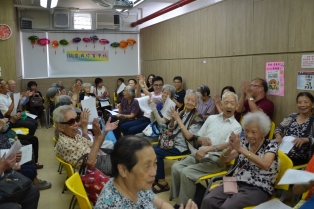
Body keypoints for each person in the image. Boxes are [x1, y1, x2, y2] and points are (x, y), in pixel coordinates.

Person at [170, 92, 241, 207]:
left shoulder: (236, 126)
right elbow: (197, 137)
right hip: (200, 154)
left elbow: (229, 145)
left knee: (186, 173)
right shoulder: (211, 118)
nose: (228, 106)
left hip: (216, 160)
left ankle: (182, 205)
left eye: (232, 103)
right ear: (221, 104)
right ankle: (190, 198)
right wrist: (201, 139)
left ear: (236, 106)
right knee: (176, 167)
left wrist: (209, 148)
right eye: (226, 102)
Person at [201, 111, 279, 209]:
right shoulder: (244, 143)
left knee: (227, 207)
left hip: (258, 188)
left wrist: (241, 149)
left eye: (253, 132)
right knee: (209, 200)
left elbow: (266, 164)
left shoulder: (271, 145)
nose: (249, 135)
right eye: (246, 131)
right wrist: (229, 148)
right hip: (236, 182)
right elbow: (224, 159)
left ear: (263, 132)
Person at [94, 135, 198, 209]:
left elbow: (161, 204)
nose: (154, 173)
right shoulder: (111, 204)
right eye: (147, 166)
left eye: (155, 163)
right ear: (123, 170)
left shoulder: (136, 185)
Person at [153, 90, 204, 194]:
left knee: (156, 153)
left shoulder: (198, 117)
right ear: (184, 100)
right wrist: (172, 120)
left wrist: (178, 120)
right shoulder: (182, 112)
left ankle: (162, 182)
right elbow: (170, 130)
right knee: (151, 150)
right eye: (188, 99)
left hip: (184, 147)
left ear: (197, 104)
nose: (189, 102)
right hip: (172, 143)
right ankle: (156, 177)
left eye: (193, 101)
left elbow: (189, 137)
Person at [53, 105, 119, 173]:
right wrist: (97, 136)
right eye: (71, 122)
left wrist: (105, 131)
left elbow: (95, 146)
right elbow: (90, 162)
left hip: (99, 158)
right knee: (126, 165)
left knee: (122, 153)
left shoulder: (74, 136)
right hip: (95, 169)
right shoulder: (65, 143)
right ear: (60, 127)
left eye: (77, 119)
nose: (76, 124)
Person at [0, 118, 51, 190]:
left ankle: (33, 180)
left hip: (7, 154)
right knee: (30, 170)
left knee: (30, 165)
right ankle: (32, 183)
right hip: (4, 167)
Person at [275, 92, 314, 166]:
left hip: (300, 156)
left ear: (312, 105)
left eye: (306, 102)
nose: (302, 105)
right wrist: (278, 135)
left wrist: (306, 140)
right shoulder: (291, 116)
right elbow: (279, 128)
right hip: (283, 150)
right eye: (299, 102)